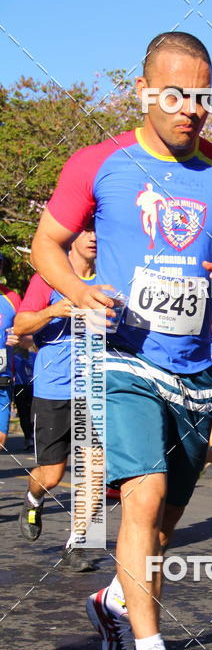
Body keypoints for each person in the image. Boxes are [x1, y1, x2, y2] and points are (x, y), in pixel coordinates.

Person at [30, 31, 212, 650]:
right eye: (175, 94)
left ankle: (114, 602)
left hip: (195, 375)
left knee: (164, 529)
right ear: (144, 92)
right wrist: (76, 293)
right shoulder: (99, 163)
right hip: (121, 359)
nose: (190, 108)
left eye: (203, 96)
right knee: (140, 498)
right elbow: (46, 244)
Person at [14, 226, 98, 570]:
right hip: (54, 388)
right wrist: (53, 312)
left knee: (94, 467)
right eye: (88, 230)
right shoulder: (49, 277)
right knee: (51, 473)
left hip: (95, 389)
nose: (94, 237)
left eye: (99, 231)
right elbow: (21, 325)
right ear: (73, 237)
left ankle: (76, 544)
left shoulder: (111, 278)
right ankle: (34, 497)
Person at [0, 255, 22, 451]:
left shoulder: (12, 298)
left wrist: (20, 338)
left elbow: (28, 336)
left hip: (3, 380)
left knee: (1, 439)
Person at [12, 346, 35, 450]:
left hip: (20, 386)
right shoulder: (35, 356)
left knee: (23, 413)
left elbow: (11, 372)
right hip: (33, 386)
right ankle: (33, 435)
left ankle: (28, 437)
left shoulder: (15, 357)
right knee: (32, 412)